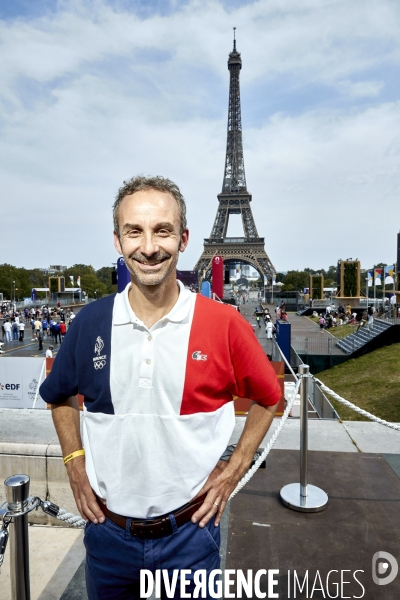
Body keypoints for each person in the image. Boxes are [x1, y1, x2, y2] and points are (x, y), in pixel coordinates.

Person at [40, 175, 281, 599]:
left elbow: (269, 395)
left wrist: (234, 468)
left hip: (189, 537)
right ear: (117, 240)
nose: (149, 247)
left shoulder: (224, 324)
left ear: (184, 238)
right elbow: (58, 395)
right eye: (134, 231)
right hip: (108, 536)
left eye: (162, 231)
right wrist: (75, 466)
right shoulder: (90, 323)